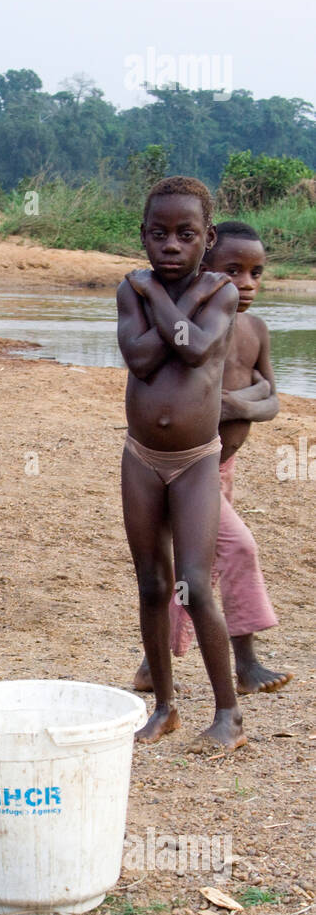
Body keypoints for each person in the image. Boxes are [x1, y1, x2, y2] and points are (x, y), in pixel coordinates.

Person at [133, 222, 290, 695]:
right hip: (191, 462)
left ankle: (152, 665)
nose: (246, 284)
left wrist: (241, 403)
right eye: (234, 271)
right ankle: (244, 664)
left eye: (256, 273)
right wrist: (248, 397)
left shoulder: (256, 330)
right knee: (235, 550)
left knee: (197, 567)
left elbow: (272, 400)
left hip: (224, 467)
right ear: (207, 275)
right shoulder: (197, 329)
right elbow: (195, 377)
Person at [117, 176, 246, 751]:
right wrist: (171, 308)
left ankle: (228, 715)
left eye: (185, 234)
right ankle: (165, 705)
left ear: (207, 237)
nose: (171, 245)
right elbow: (142, 357)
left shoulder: (220, 292)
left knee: (194, 585)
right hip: (141, 457)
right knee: (152, 584)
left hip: (195, 460)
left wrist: (174, 299)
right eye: (159, 233)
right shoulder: (129, 290)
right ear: (143, 235)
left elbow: (195, 347)